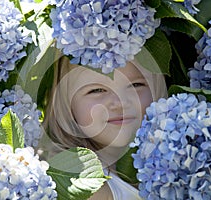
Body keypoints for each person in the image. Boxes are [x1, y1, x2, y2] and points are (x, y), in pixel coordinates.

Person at [40, 55, 167, 199]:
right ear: (67, 105)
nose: (120, 102)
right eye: (97, 90)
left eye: (135, 85)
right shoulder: (90, 189)